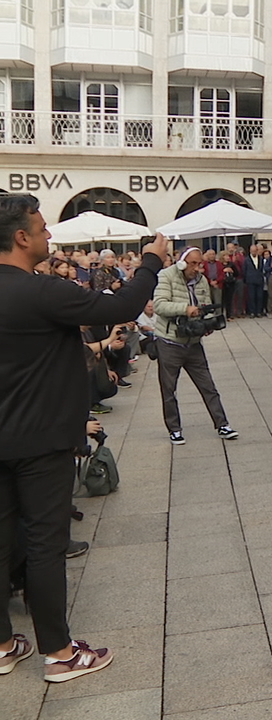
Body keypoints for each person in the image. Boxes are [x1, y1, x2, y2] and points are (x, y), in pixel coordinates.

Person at [0, 195, 168, 682]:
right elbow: (123, 304)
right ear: (20, 237)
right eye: (42, 226)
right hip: (42, 439)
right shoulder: (40, 291)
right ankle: (59, 652)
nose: (49, 234)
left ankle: (6, 644)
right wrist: (152, 261)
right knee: (46, 543)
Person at [152, 246, 239, 446]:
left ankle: (222, 424)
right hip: (169, 342)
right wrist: (185, 309)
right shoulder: (166, 276)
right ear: (181, 262)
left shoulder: (201, 280)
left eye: (199, 263)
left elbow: (205, 304)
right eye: (193, 263)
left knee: (208, 385)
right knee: (169, 389)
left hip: (193, 342)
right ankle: (174, 429)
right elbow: (159, 305)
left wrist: (207, 322)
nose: (197, 268)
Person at [242, 243, 266, 318]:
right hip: (250, 280)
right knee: (251, 297)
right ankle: (252, 312)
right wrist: (245, 280)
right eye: (252, 251)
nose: (254, 252)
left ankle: (258, 311)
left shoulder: (261, 259)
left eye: (255, 251)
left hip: (259, 280)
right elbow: (244, 270)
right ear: (250, 251)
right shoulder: (246, 260)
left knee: (259, 296)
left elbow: (262, 269)